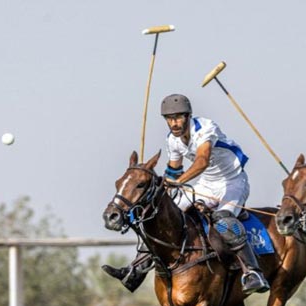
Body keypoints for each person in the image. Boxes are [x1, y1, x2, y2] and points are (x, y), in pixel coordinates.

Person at [103, 94, 269, 294]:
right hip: (205, 183)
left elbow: (202, 161)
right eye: (169, 119)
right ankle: (136, 269)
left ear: (188, 116)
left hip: (232, 181)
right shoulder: (172, 140)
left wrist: (179, 182)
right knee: (165, 215)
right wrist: (159, 191)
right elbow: (174, 171)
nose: (174, 123)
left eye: (179, 117)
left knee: (224, 220)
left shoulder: (205, 128)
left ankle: (252, 272)